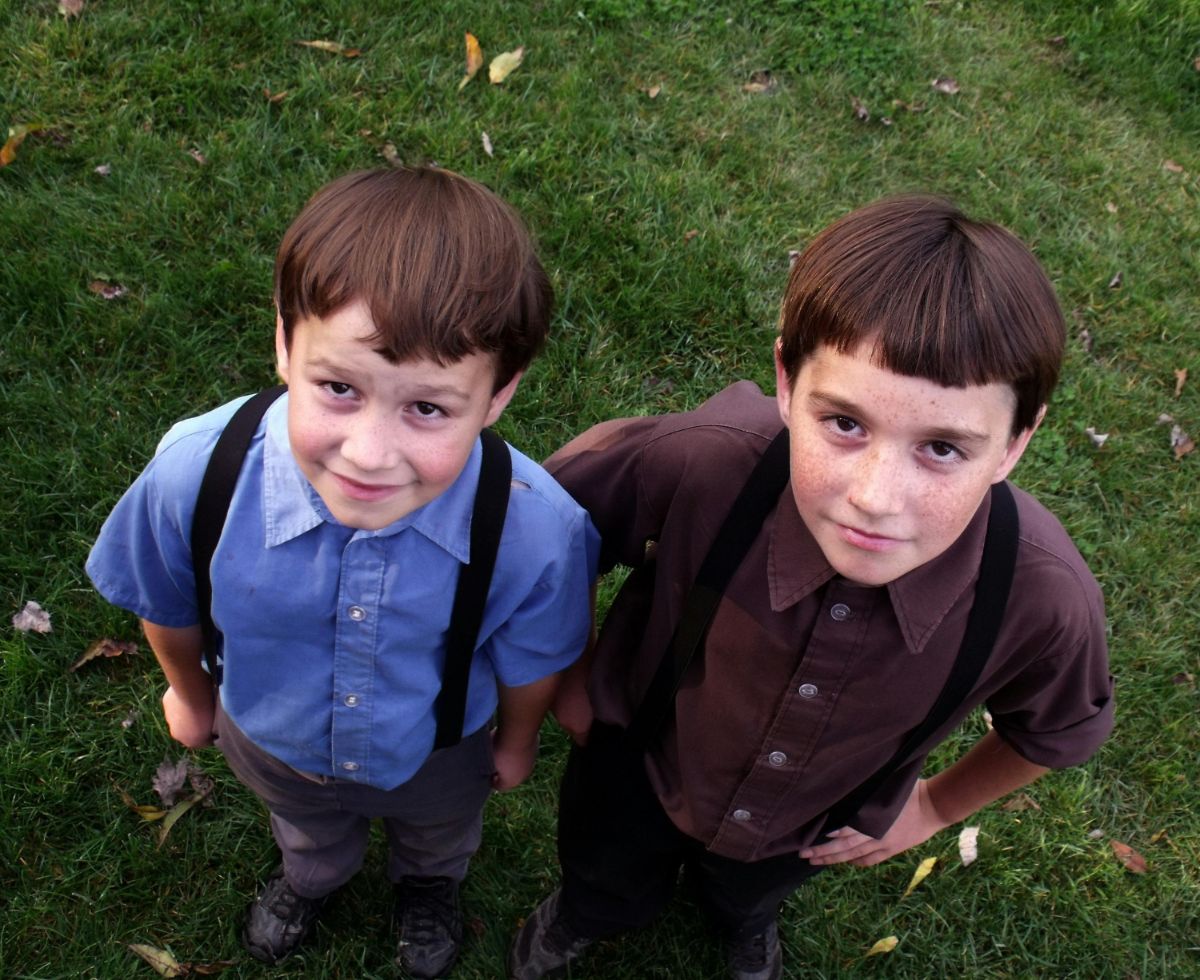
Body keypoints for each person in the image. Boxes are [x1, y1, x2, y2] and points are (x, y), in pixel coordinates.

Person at [508, 194, 1113, 980]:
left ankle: (744, 924)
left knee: (748, 896)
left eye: (941, 448)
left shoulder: (1044, 597)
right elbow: (546, 527)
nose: (874, 495)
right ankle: (586, 915)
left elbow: (1056, 732)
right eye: (846, 424)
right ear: (788, 384)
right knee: (605, 872)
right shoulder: (703, 461)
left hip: (809, 827)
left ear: (1013, 445)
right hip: (639, 766)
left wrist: (932, 807)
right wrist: (574, 668)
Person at [87, 167, 598, 977]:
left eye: (427, 408)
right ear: (286, 342)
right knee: (305, 826)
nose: (368, 452)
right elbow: (168, 601)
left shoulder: (536, 530)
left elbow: (533, 658)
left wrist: (519, 738)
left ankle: (427, 885)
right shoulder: (195, 476)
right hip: (270, 737)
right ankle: (312, 876)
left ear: (498, 394)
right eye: (337, 388)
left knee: (438, 834)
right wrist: (190, 695)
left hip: (437, 753)